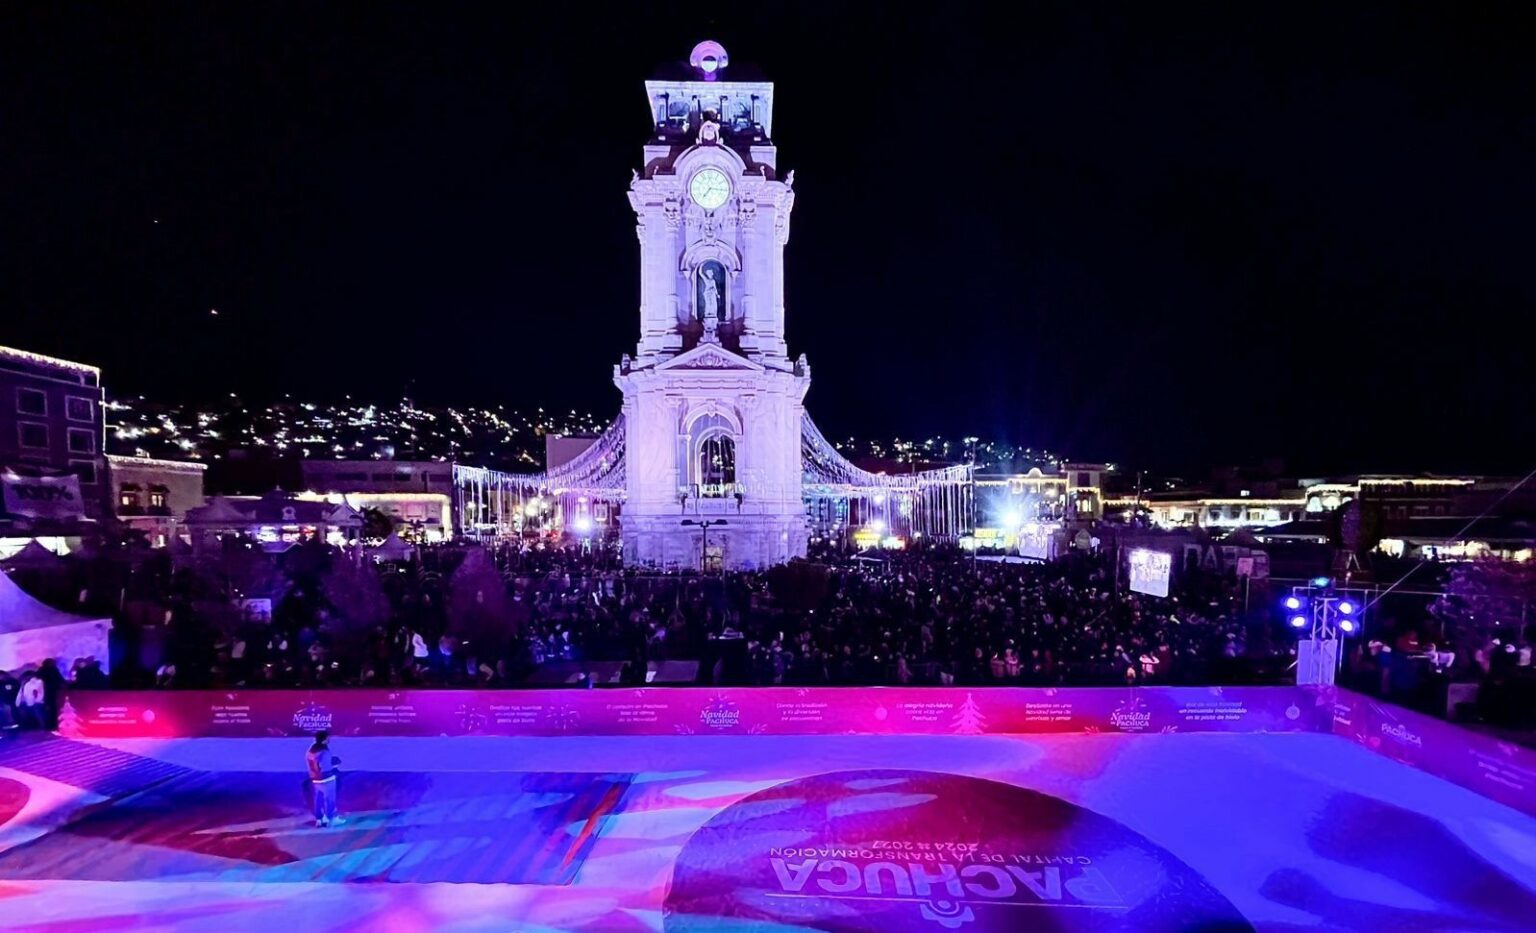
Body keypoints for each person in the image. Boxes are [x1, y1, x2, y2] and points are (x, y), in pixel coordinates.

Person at [305, 730, 344, 827]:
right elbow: (325, 767)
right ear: (324, 739)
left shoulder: (311, 750)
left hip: (315, 779)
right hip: (326, 779)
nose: (329, 739)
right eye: (328, 738)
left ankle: (319, 819)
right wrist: (334, 767)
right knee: (330, 799)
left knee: (318, 799)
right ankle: (331, 819)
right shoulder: (324, 751)